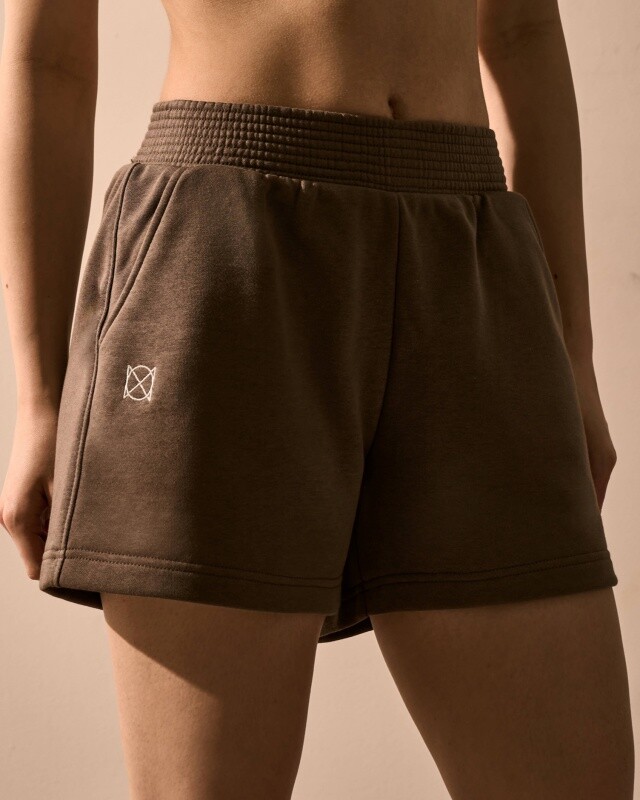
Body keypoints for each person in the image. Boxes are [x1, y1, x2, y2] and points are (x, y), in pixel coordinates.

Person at [0, 0, 634, 797]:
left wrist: (573, 356)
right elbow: (48, 56)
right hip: (224, 254)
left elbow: (522, 30)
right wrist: (39, 398)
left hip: (472, 251)